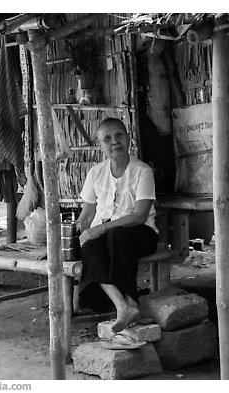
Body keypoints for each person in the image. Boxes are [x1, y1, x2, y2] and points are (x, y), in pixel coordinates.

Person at [77, 118, 158, 334]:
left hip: (141, 234)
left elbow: (140, 215)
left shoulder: (142, 171)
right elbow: (87, 214)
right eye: (107, 138)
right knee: (91, 246)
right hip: (109, 236)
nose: (115, 142)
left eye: (119, 135)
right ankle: (123, 306)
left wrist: (102, 228)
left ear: (128, 138)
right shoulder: (95, 172)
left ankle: (131, 301)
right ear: (100, 145)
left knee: (116, 235)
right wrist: (80, 234)